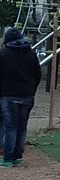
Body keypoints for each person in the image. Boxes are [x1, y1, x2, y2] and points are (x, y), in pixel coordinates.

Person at [0, 27, 42, 167]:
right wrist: (32, 89)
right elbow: (37, 74)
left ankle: (8, 158)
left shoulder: (3, 54)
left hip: (9, 95)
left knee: (10, 127)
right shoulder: (31, 54)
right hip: (27, 95)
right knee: (22, 127)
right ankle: (18, 156)